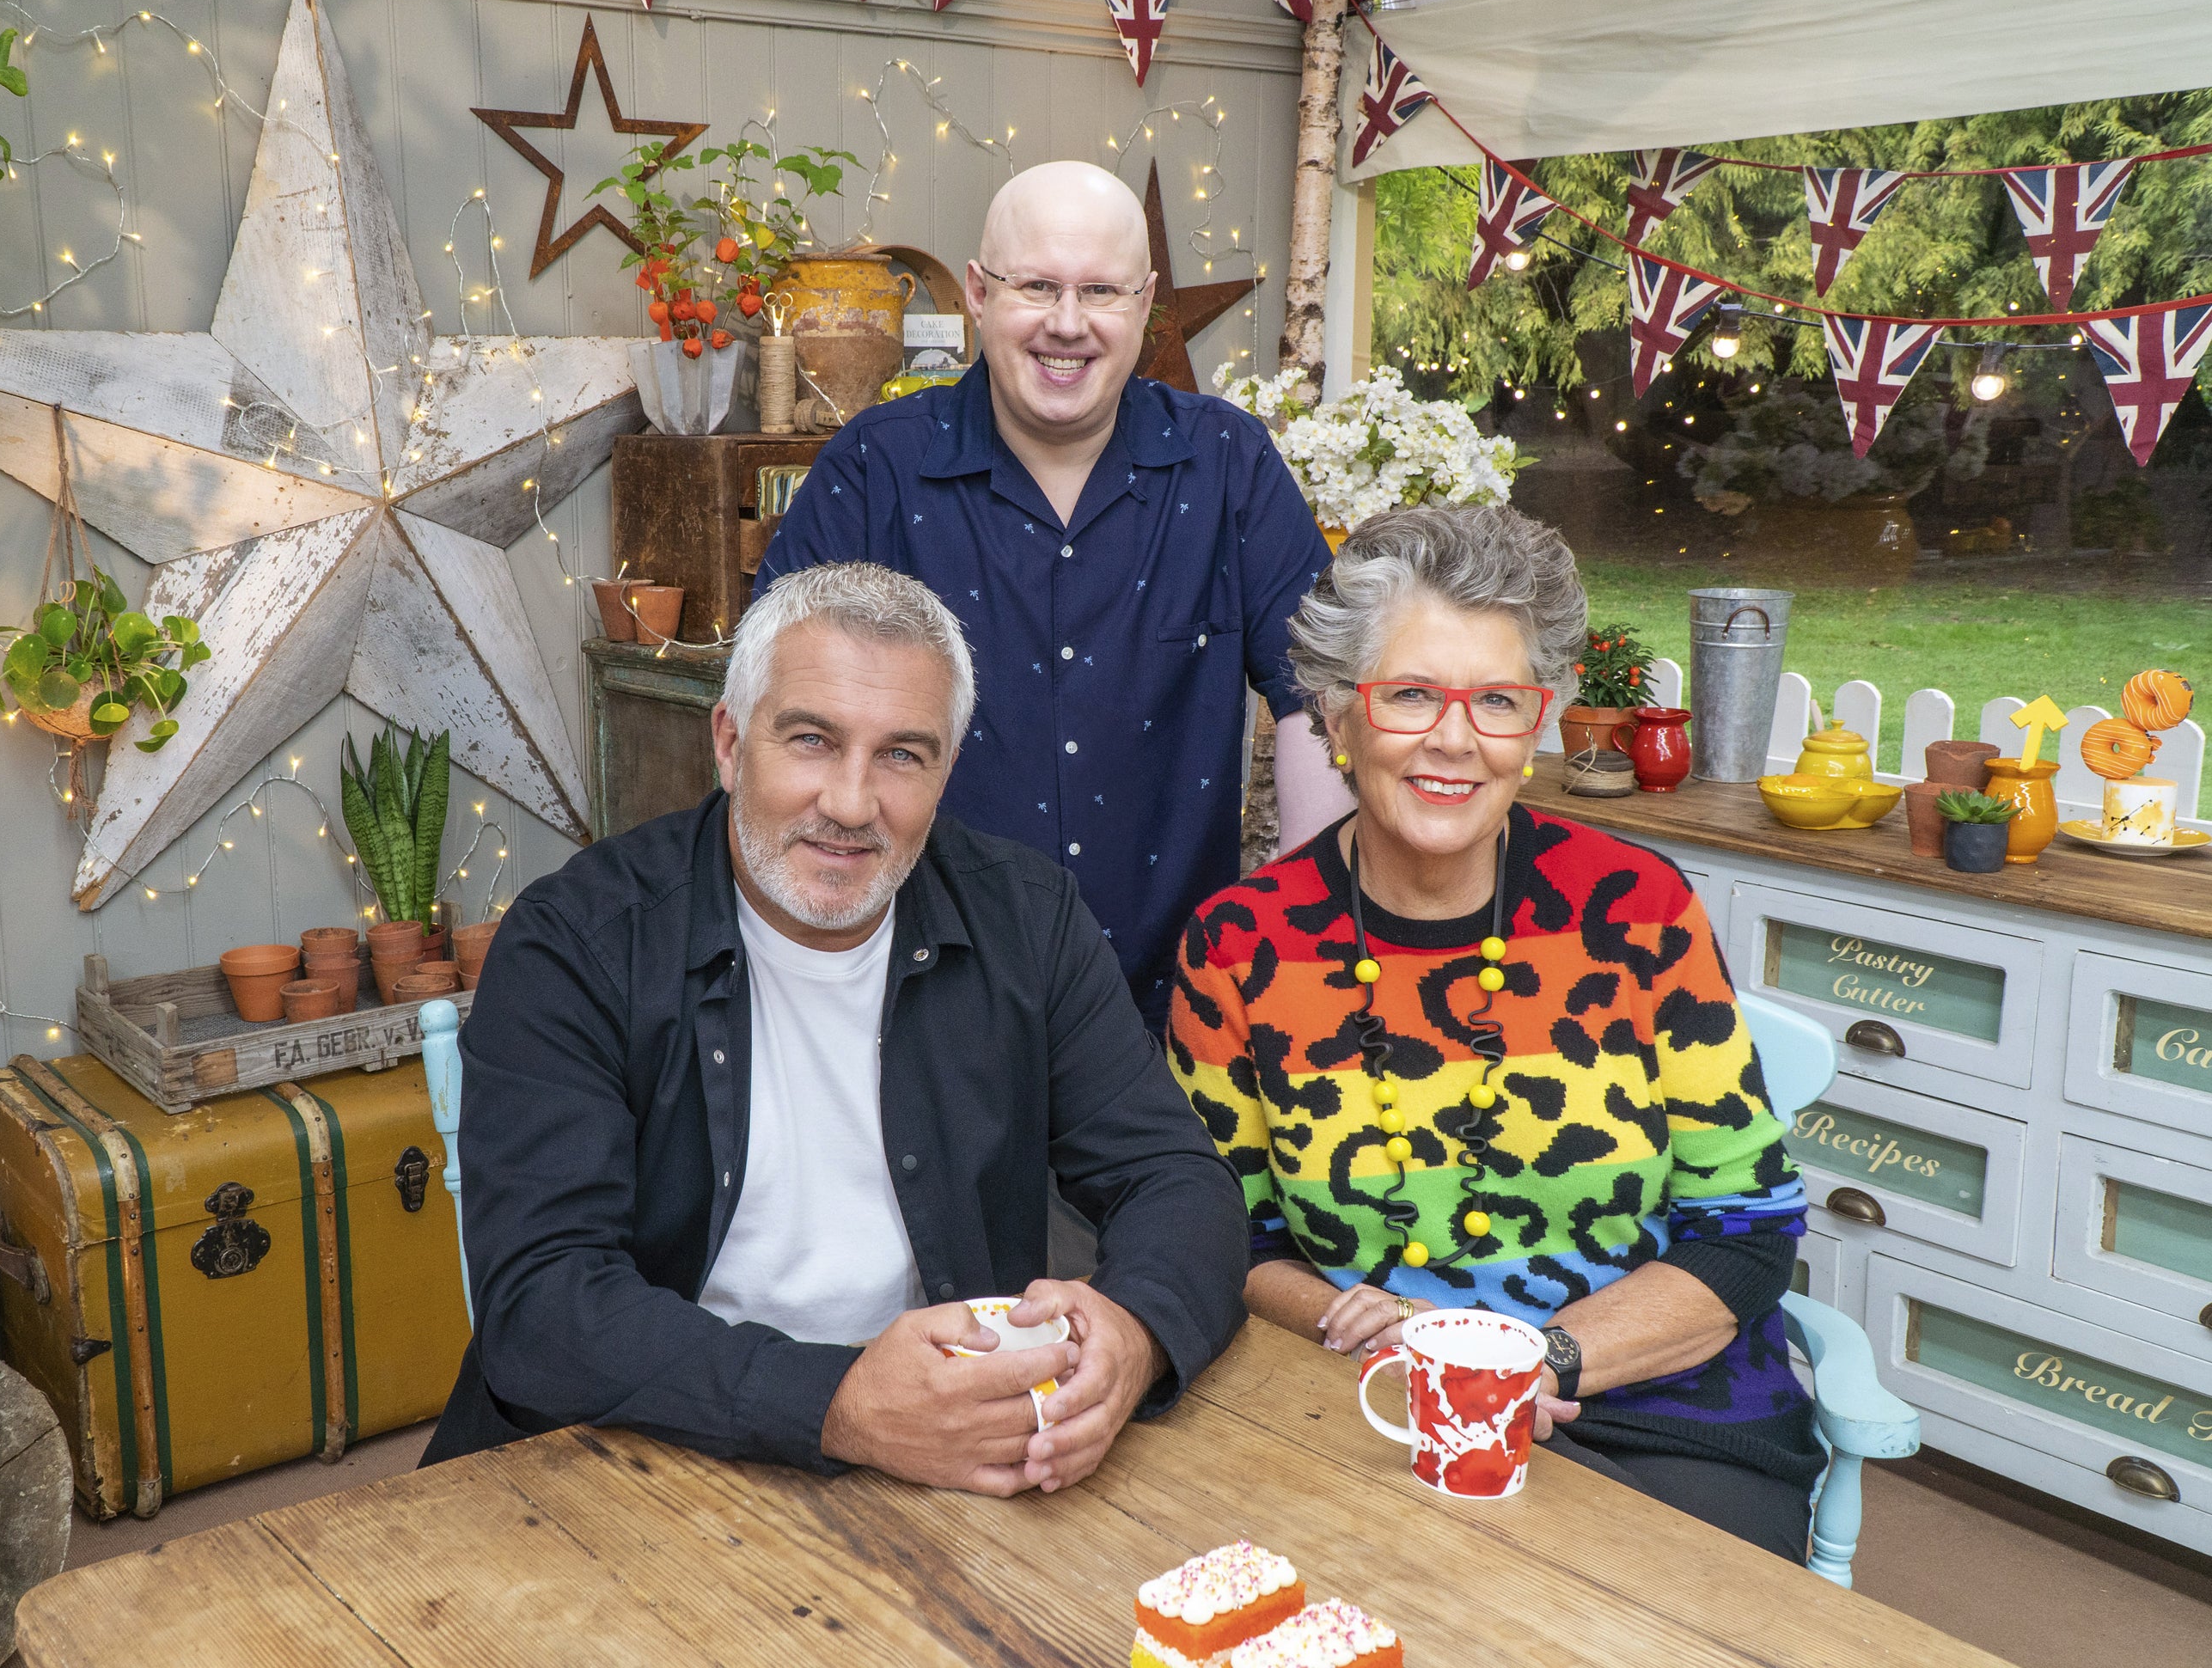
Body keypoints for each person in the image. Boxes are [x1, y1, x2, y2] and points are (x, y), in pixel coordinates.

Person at [423, 562, 1246, 1494]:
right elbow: (542, 1306)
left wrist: (1135, 1332)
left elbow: (1178, 1178)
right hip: (634, 1454)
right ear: (730, 743)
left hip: (949, 1461)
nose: (853, 804)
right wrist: (841, 1401)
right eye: (812, 739)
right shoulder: (578, 940)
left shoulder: (1026, 917)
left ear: (946, 771)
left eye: (903, 754)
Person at [1167, 504, 1824, 1560]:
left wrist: (1541, 1358)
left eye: (1498, 700)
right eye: (1411, 693)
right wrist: (1364, 1327)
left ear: (1540, 720)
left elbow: (1746, 1231)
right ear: (1337, 717)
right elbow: (1219, 1231)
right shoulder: (1240, 944)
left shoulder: (1638, 911)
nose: (1455, 739)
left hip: (1661, 1410)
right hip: (1367, 1401)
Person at [755, 160, 1338, 1037]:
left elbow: (1320, 698)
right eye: (1038, 287)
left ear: (1145, 305)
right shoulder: (876, 468)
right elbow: (776, 712)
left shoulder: (1229, 466)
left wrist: (1301, 938)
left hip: (1175, 1008)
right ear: (982, 294)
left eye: (1099, 291)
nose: (1067, 325)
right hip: (916, 1004)